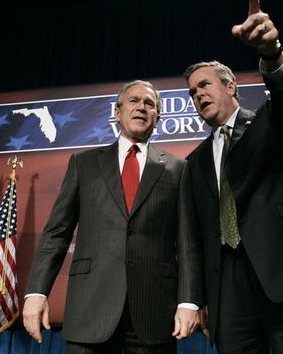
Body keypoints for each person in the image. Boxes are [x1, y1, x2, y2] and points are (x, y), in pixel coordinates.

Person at [183, 0, 283, 354]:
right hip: (229, 292)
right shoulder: (195, 162)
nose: (198, 94)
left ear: (231, 86)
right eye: (193, 92)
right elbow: (195, 235)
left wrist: (272, 56)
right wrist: (203, 298)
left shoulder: (268, 123)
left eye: (205, 85)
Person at [22, 80, 203, 354]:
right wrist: (37, 292)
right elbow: (56, 234)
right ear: (117, 113)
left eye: (149, 103)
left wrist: (188, 302)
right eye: (133, 101)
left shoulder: (178, 169)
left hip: (153, 312)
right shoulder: (84, 164)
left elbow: (187, 241)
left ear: (157, 119)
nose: (141, 107)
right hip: (90, 309)